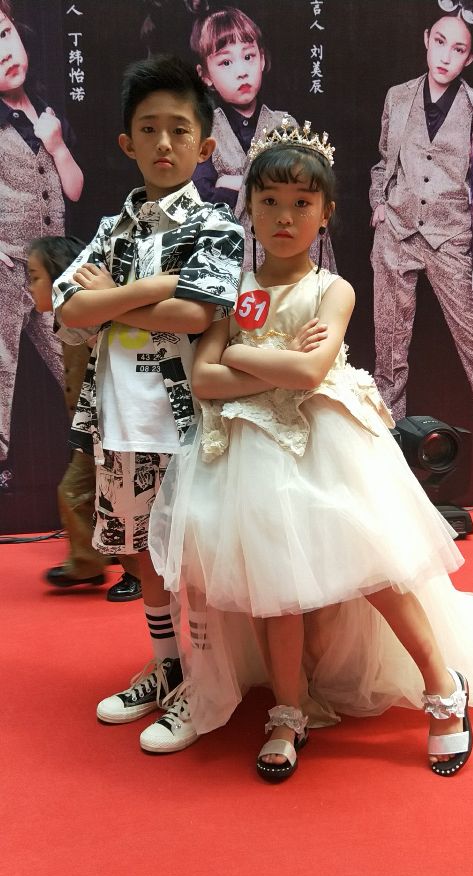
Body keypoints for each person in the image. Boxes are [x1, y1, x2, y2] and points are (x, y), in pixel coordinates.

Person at [149, 120, 473, 781]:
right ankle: (289, 709)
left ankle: (443, 685)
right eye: (269, 201)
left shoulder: (332, 289)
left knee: (376, 569)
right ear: (249, 207)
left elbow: (311, 374)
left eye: (301, 203)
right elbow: (203, 380)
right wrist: (273, 362)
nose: (284, 217)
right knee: (273, 589)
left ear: (326, 211)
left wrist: (245, 359)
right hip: (250, 454)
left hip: (325, 443)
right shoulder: (234, 291)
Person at [52, 55, 244, 747]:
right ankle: (167, 666)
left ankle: (207, 681)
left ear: (205, 144)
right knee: (145, 555)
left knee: (195, 558)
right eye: (149, 129)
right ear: (127, 143)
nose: (164, 143)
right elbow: (67, 306)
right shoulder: (112, 227)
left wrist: (111, 298)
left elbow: (197, 314)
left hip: (190, 423)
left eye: (179, 129)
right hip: (121, 420)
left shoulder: (217, 226)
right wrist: (154, 287)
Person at [370, 3, 473, 452]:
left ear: (470, 58)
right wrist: (378, 205)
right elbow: (383, 162)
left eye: (459, 49)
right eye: (441, 42)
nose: (446, 55)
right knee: (390, 347)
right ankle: (387, 443)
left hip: (449, 237)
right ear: (427, 39)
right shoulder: (398, 96)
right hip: (397, 231)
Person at [27, 236, 142, 601]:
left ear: (60, 276)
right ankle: (93, 562)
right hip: (92, 427)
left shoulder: (87, 320)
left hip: (110, 425)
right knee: (98, 494)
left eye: (34, 277)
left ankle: (127, 570)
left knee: (103, 494)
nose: (29, 287)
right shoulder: (67, 320)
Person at [0, 0, 83, 482]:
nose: (4, 52)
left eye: (4, 34)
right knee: (1, 367)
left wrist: (56, 145)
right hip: (7, 269)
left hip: (50, 270)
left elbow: (74, 190)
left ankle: (102, 455)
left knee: (74, 358)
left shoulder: (48, 112)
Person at [189, 3, 336, 273]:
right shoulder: (204, 132)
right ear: (205, 76)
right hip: (231, 266)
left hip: (284, 257)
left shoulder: (285, 125)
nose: (241, 71)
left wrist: (234, 182)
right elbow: (202, 202)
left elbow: (302, 195)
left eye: (249, 56)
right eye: (226, 62)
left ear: (263, 59)